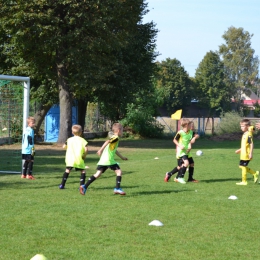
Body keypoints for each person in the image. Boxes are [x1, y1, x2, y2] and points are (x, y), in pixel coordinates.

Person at [79, 123, 128, 196]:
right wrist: (100, 150)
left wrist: (122, 157)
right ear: (118, 130)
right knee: (119, 172)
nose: (122, 132)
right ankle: (117, 188)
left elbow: (115, 150)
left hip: (103, 160)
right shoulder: (116, 138)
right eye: (122, 130)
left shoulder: (114, 138)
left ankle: (84, 187)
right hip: (109, 160)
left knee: (97, 174)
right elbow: (107, 141)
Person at [165, 119, 199, 184]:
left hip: (188, 152)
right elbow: (174, 140)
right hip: (181, 152)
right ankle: (180, 177)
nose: (191, 126)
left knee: (191, 164)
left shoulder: (191, 132)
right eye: (190, 125)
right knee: (186, 163)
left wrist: (194, 138)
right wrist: (179, 145)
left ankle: (190, 178)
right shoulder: (180, 132)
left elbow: (197, 135)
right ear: (186, 125)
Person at [59, 124, 88, 189]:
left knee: (67, 170)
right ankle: (81, 186)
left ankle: (62, 185)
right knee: (83, 171)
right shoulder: (83, 140)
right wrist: (84, 155)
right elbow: (86, 149)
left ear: (72, 132)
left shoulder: (69, 140)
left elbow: (64, 147)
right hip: (79, 158)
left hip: (70, 159)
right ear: (81, 132)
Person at [235, 119, 259, 185]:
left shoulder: (248, 134)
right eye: (241, 126)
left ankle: (244, 181)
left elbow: (251, 144)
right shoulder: (245, 133)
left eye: (243, 126)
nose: (241, 127)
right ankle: (254, 173)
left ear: (247, 126)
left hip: (247, 154)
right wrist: (239, 150)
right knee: (241, 166)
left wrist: (251, 153)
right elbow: (245, 145)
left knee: (243, 167)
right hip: (243, 154)